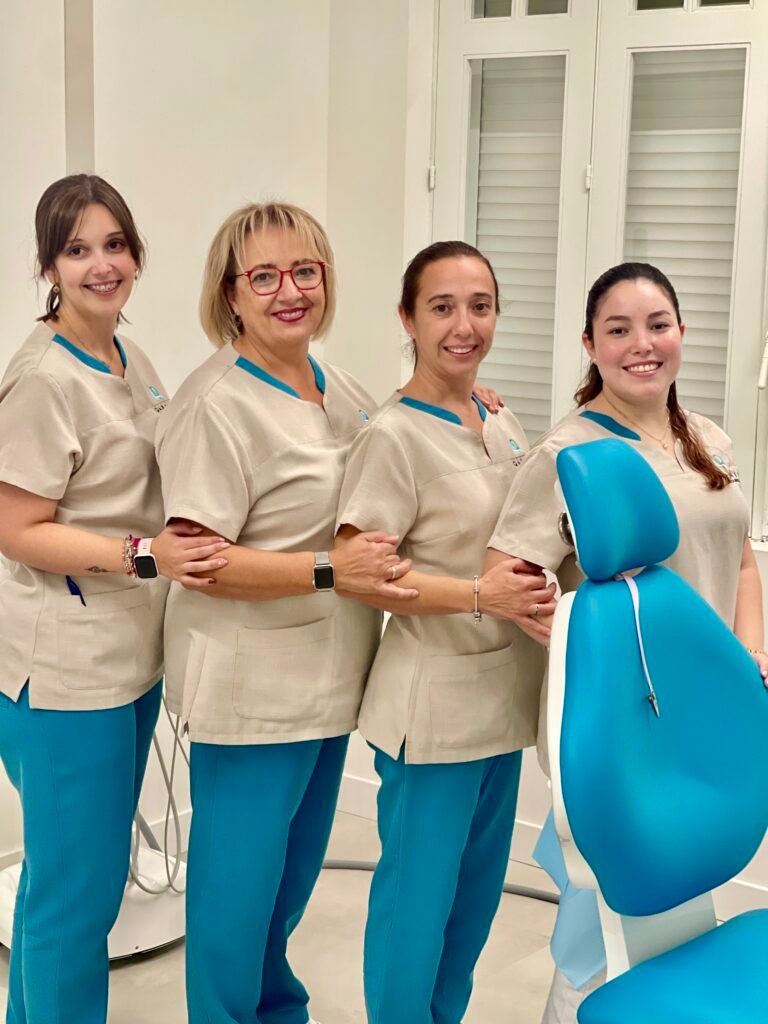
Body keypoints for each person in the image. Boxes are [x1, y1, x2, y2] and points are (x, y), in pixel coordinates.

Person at [155, 201, 422, 1024]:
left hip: (326, 681)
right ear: (229, 295)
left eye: (304, 271)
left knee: (287, 890)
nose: (288, 291)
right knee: (236, 907)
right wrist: (325, 568)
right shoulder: (215, 405)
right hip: (251, 694)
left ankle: (277, 1012)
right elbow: (201, 561)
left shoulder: (334, 384)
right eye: (263, 276)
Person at [486, 261, 768, 1024]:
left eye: (657, 325)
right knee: (600, 931)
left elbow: (740, 555)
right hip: (628, 727)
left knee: (673, 903)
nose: (641, 345)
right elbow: (508, 579)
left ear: (682, 333)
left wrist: (748, 656)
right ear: (589, 345)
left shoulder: (705, 437)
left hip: (712, 709)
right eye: (618, 330)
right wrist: (597, 656)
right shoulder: (570, 454)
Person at [0, 174, 225, 1024]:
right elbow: (16, 528)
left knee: (69, 889)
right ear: (48, 266)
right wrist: (143, 556)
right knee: (75, 901)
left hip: (129, 665)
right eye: (78, 249)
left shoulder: (131, 357)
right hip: (64, 674)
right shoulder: (42, 379)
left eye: (115, 245)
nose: (102, 264)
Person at [334, 240, 557, 1024]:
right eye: (442, 308)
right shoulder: (392, 436)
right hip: (433, 715)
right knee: (415, 910)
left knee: (471, 907)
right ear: (409, 318)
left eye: (481, 306)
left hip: (502, 704)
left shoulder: (497, 418)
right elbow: (363, 570)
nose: (464, 326)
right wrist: (478, 593)